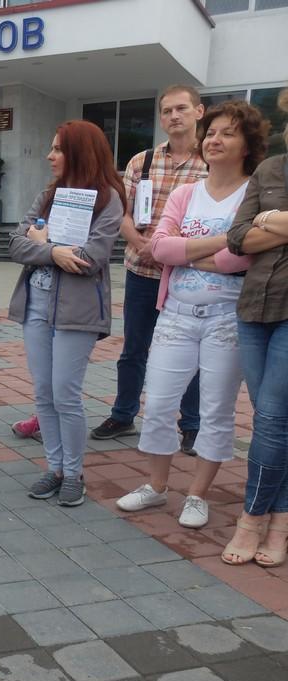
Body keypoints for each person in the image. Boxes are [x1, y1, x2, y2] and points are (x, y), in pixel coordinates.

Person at [115, 101, 263, 529]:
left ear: (247, 144)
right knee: (159, 401)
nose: (215, 140)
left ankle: (197, 494)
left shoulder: (253, 194)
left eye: (227, 133)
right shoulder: (185, 193)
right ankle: (157, 487)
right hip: (177, 313)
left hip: (226, 319)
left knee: (215, 410)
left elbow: (243, 260)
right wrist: (221, 242)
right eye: (212, 132)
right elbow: (159, 249)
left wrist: (188, 254)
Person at [7, 121, 125, 507]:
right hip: (36, 307)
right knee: (43, 393)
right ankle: (55, 468)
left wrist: (48, 245)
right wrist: (55, 252)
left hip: (77, 312)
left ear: (79, 152)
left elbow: (90, 259)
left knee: (65, 394)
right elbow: (14, 243)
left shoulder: (108, 200)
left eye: (58, 149)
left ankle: (74, 474)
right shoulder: (47, 196)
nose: (50, 155)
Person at [91, 85, 208, 455]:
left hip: (190, 275)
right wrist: (141, 244)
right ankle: (123, 414)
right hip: (142, 270)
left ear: (199, 112)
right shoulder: (142, 161)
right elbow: (121, 212)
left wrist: (175, 252)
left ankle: (190, 425)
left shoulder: (211, 163)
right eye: (167, 110)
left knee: (191, 352)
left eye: (182, 109)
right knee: (134, 349)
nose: (174, 116)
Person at [222, 87, 288, 567]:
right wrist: (270, 220)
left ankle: (253, 517)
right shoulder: (270, 170)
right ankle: (281, 519)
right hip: (255, 308)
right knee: (276, 420)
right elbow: (238, 237)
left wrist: (274, 219)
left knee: (269, 416)